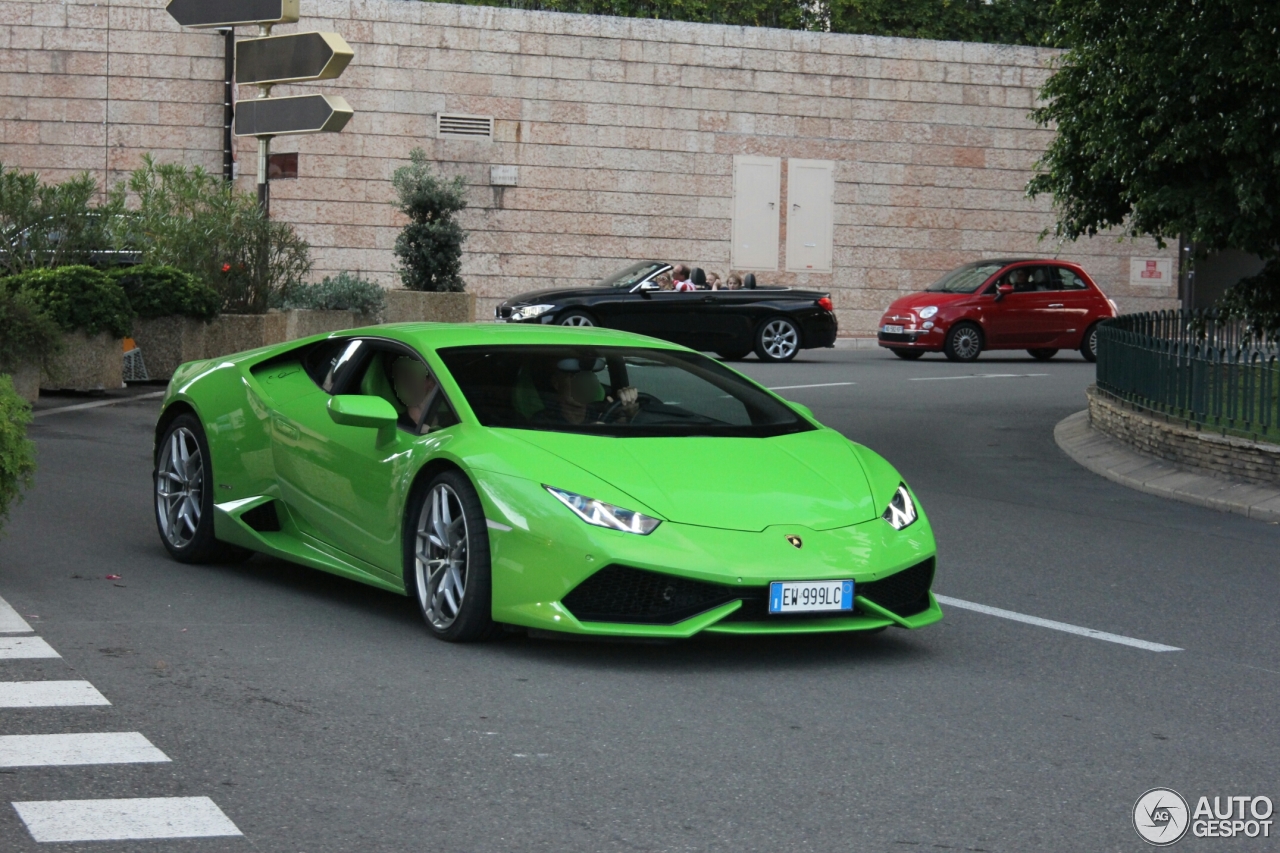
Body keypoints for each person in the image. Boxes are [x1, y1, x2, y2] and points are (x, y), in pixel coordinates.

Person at [534, 357, 639, 426]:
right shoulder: (542, 421)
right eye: (573, 377)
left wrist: (630, 414)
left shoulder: (604, 413)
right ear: (556, 383)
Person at [390, 356, 438, 427]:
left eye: (413, 377)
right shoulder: (398, 425)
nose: (406, 382)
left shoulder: (451, 415)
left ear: (431, 383)